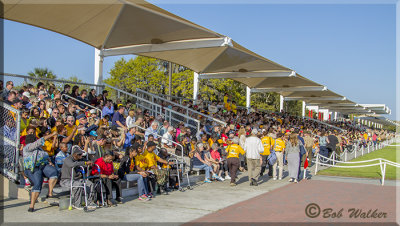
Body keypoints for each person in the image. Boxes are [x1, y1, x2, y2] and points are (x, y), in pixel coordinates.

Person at [23, 132, 59, 212]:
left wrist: (49, 162)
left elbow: (45, 156)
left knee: (53, 172)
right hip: (33, 169)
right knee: (37, 184)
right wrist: (52, 134)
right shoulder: (27, 147)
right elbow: (39, 142)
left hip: (42, 166)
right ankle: (32, 206)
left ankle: (50, 193)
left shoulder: (40, 149)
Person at [60, 146, 97, 210]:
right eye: (79, 154)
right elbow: (72, 164)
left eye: (81, 154)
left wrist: (90, 162)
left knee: (90, 184)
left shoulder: (80, 159)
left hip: (77, 179)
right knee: (78, 185)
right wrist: (84, 163)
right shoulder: (68, 159)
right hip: (66, 180)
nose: (81, 156)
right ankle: (76, 204)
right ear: (74, 154)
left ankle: (89, 202)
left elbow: (87, 161)